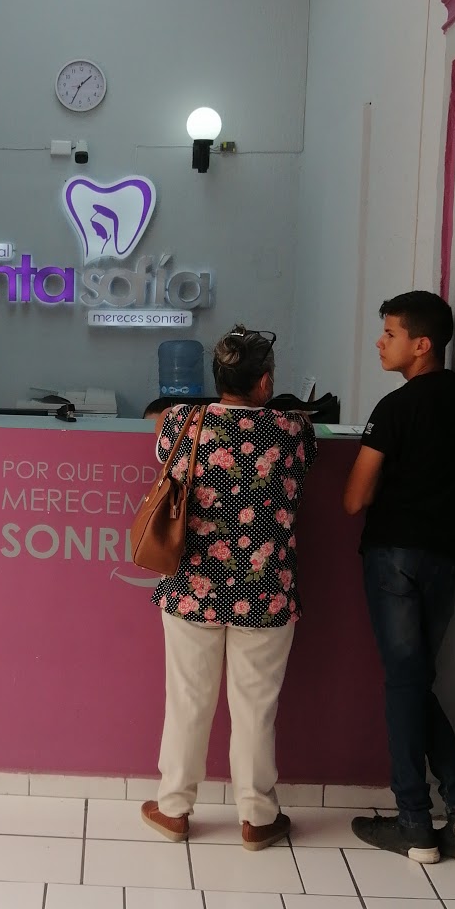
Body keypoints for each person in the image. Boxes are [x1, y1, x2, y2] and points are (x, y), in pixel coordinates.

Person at [141, 326, 317, 850]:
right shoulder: (293, 430)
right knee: (256, 707)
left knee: (188, 700)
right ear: (264, 382)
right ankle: (257, 817)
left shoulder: (182, 421)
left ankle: (174, 809)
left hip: (193, 587)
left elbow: (162, 447)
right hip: (265, 592)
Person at [343, 290, 455, 864]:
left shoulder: (396, 406)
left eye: (390, 334)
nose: (380, 343)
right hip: (447, 558)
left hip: (394, 558)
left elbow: (354, 499)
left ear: (422, 344)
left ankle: (414, 821)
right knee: (414, 682)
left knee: (405, 684)